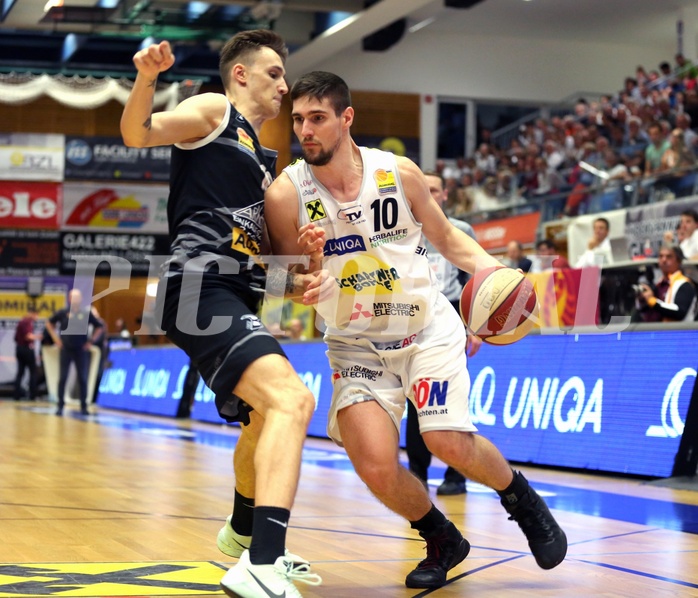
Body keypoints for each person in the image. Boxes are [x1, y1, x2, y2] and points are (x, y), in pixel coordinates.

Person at [265, 71, 567, 590]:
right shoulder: (286, 193)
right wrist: (302, 276)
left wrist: (493, 272)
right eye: (298, 120)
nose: (305, 130)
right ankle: (443, 538)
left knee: (447, 441)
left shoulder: (397, 173)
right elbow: (276, 277)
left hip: (425, 328)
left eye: (317, 118)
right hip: (355, 342)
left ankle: (521, 498)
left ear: (346, 118)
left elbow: (447, 236)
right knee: (375, 464)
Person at [120, 31, 322, 598]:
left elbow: (265, 264)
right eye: (275, 73)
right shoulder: (214, 111)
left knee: (264, 417)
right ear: (241, 75)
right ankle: (263, 560)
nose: (284, 85)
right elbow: (138, 132)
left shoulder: (266, 162)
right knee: (293, 400)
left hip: (235, 292)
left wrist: (302, 264)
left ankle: (241, 529)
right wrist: (146, 79)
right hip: (195, 287)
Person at [405, 170, 482, 497]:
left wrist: (474, 327)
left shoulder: (460, 231)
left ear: (445, 195)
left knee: (454, 397)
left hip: (450, 313)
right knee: (415, 400)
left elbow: (474, 283)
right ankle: (418, 476)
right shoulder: (403, 230)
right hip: (412, 318)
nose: (430, 195)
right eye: (425, 190)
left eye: (435, 190)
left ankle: (456, 476)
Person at [45, 289, 104, 416]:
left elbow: (99, 326)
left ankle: (84, 406)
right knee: (63, 378)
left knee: (83, 378)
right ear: (69, 299)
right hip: (66, 349)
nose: (75, 300)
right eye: (73, 297)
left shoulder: (85, 313)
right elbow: (49, 323)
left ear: (81, 299)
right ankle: (60, 406)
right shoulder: (63, 312)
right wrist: (56, 339)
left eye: (77, 297)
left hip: (80, 349)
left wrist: (91, 341)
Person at [635, 245, 697, 322]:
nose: (664, 260)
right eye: (661, 256)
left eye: (669, 257)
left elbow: (679, 312)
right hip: (657, 331)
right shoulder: (658, 284)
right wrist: (643, 301)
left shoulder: (685, 284)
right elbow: (651, 314)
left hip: (680, 332)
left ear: (678, 261)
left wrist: (652, 300)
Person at [14, 306, 39, 402]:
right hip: (27, 350)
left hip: (19, 349)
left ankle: (16, 395)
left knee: (20, 372)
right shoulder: (27, 322)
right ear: (32, 313)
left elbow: (15, 338)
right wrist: (38, 337)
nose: (37, 317)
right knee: (33, 372)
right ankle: (33, 395)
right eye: (36, 315)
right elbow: (28, 336)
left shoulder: (21, 322)